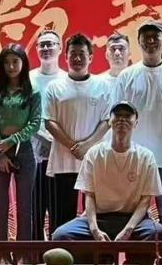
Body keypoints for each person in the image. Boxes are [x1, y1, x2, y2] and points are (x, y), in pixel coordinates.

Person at [51, 102, 162, 251]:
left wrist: (128, 229)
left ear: (136, 122)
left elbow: (145, 200)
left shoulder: (146, 156)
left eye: (127, 116)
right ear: (110, 121)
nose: (122, 119)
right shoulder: (94, 154)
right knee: (61, 235)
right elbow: (89, 196)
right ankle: (97, 261)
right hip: (99, 217)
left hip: (133, 220)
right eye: (118, 115)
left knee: (158, 233)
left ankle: (135, 263)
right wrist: (94, 229)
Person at [113, 21, 162, 210]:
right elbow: (116, 118)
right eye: (146, 37)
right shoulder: (126, 76)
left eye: (156, 37)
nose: (151, 41)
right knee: (130, 211)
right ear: (139, 42)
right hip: (134, 158)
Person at [43, 34, 112, 228]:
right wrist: (73, 146)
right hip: (63, 162)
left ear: (90, 57)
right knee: (61, 219)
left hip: (95, 160)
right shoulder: (54, 87)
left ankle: (98, 248)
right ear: (65, 57)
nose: (77, 58)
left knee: (97, 217)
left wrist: (87, 146)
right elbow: (49, 122)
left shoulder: (103, 86)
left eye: (82, 53)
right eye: (73, 53)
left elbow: (107, 120)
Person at [0, 43, 42, 249]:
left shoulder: (33, 93)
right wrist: (0, 154)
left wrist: (11, 140)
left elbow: (35, 124)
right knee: (0, 206)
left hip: (24, 151)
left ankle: (23, 255)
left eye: (15, 62)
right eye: (7, 62)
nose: (11, 66)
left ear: (23, 63)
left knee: (25, 206)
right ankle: (1, 255)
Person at [30, 29, 66, 239]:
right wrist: (42, 138)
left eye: (50, 44)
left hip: (61, 153)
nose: (46, 48)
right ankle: (32, 255)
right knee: (34, 209)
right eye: (42, 45)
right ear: (36, 49)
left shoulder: (67, 78)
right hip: (33, 154)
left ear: (60, 48)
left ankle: (58, 251)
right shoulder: (28, 78)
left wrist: (56, 141)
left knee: (59, 210)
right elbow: (23, 115)